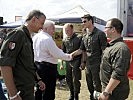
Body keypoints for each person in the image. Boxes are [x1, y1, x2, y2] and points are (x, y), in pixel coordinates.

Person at [0, 10, 46, 100]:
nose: (42, 27)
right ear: (34, 19)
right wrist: (13, 95)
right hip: (20, 92)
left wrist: (38, 80)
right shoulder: (18, 34)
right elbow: (5, 65)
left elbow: (27, 64)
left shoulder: (27, 37)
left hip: (27, 90)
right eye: (42, 23)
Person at [33, 21, 73, 100]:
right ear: (46, 28)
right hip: (47, 69)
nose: (54, 31)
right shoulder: (47, 39)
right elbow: (57, 54)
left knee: (39, 91)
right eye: (52, 28)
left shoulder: (35, 37)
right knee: (48, 92)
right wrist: (70, 56)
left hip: (38, 67)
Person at [72, 14, 107, 100]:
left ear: (91, 21)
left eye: (84, 21)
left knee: (97, 84)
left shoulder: (100, 34)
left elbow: (105, 51)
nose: (82, 23)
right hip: (88, 64)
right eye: (82, 22)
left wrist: (103, 65)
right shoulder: (85, 36)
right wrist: (72, 56)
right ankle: (92, 97)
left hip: (97, 64)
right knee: (89, 84)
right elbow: (82, 50)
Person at [98, 18, 131, 100]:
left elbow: (118, 74)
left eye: (106, 28)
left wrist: (106, 92)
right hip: (110, 91)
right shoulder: (112, 45)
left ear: (113, 29)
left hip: (115, 93)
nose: (104, 30)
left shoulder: (121, 48)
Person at [61, 23, 82, 100]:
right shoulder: (64, 40)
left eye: (68, 30)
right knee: (68, 79)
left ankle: (76, 95)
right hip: (67, 61)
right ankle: (71, 94)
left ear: (72, 29)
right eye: (65, 30)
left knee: (76, 79)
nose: (66, 32)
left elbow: (82, 50)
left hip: (76, 61)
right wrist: (62, 63)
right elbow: (63, 52)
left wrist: (83, 62)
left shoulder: (79, 38)